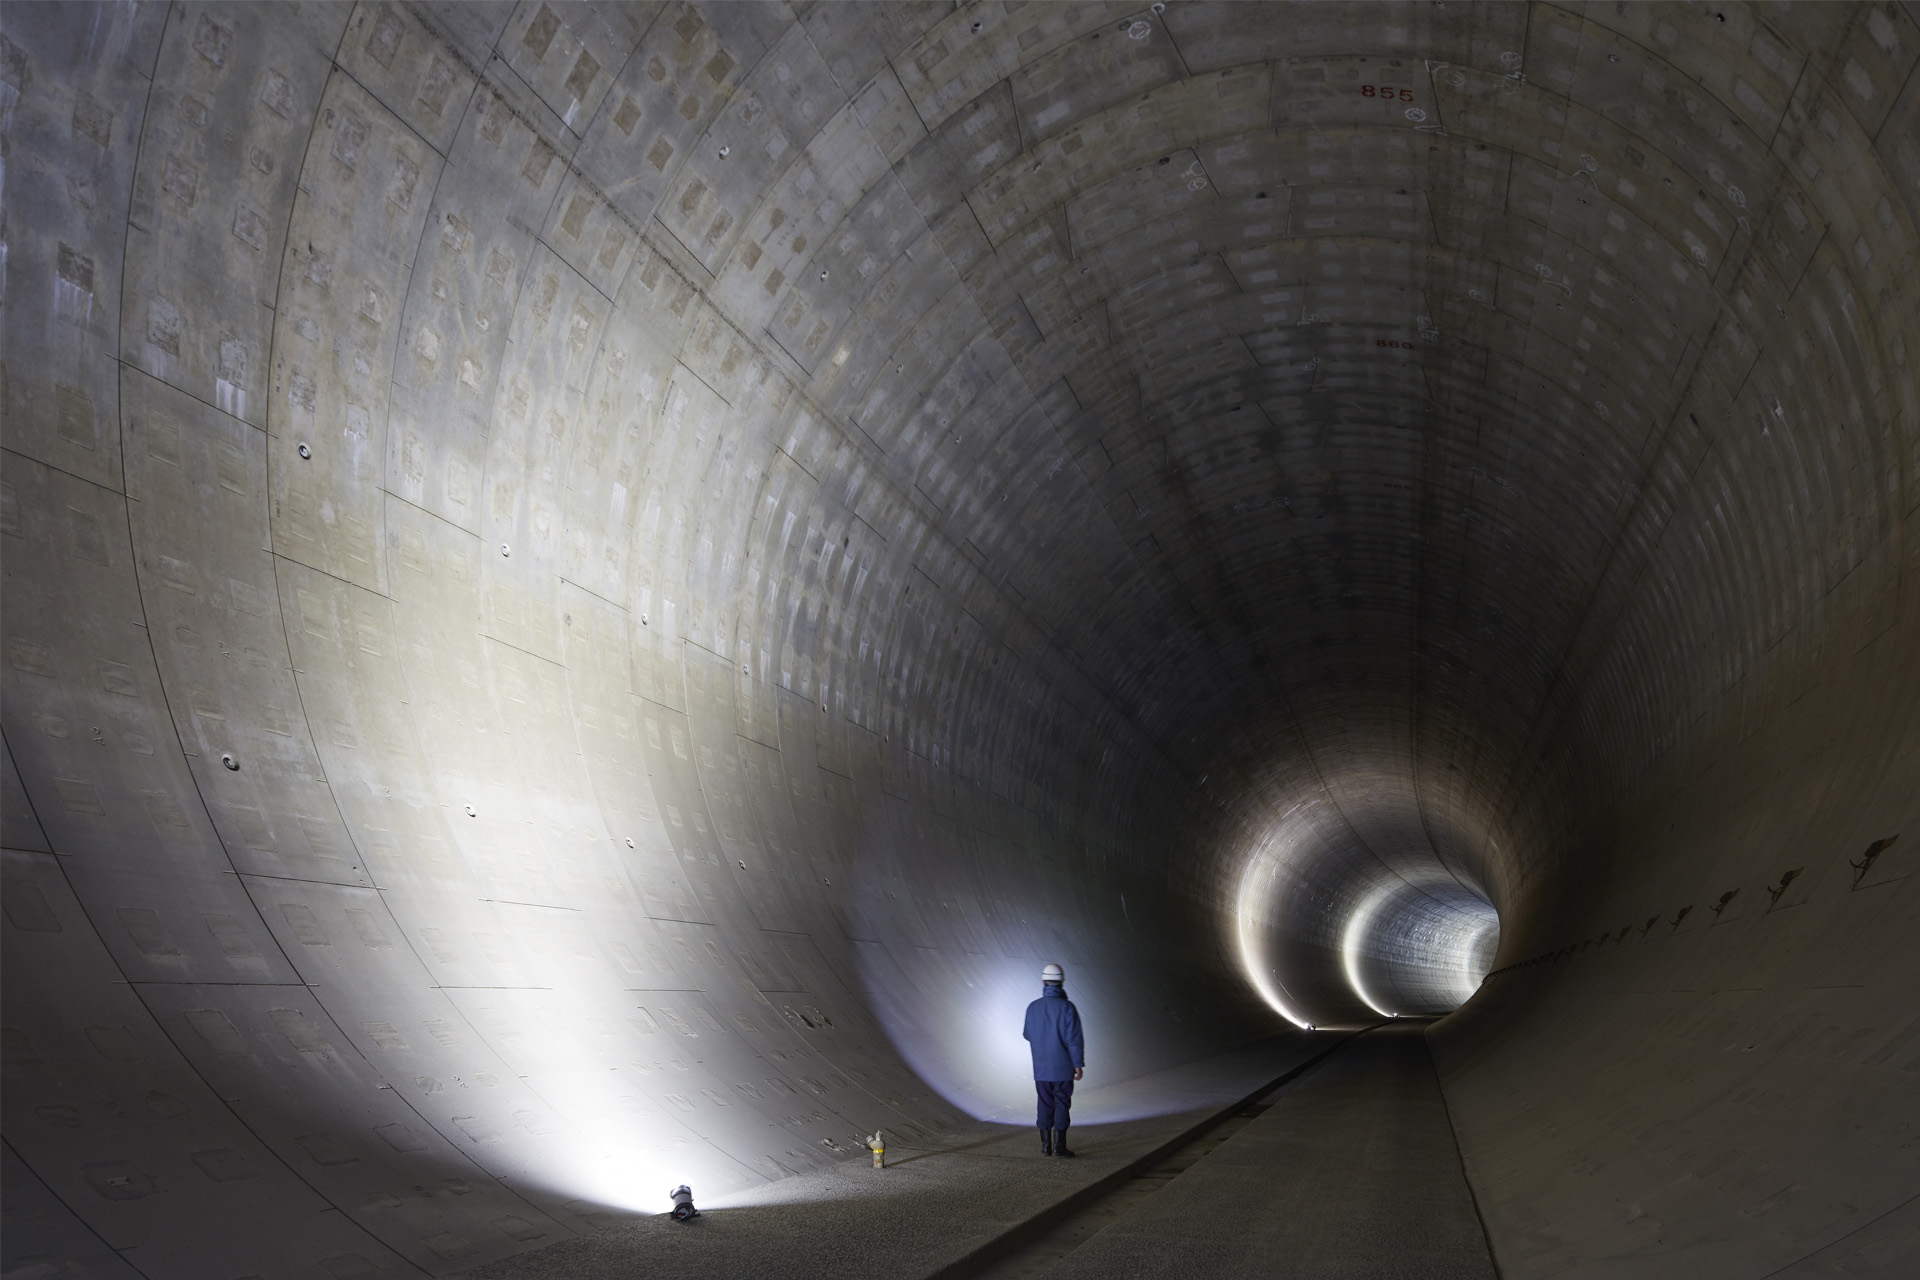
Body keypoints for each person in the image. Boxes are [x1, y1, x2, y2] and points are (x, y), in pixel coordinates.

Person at [1022, 962, 1084, 1157]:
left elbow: (1027, 1034)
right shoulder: (1067, 1008)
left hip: (1041, 1069)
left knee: (1044, 1103)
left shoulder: (1032, 1007)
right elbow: (1073, 1040)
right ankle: (1060, 1147)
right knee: (1062, 1103)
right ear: (1062, 982)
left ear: (1043, 981)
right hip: (1063, 1069)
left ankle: (1045, 1146)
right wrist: (1078, 1064)